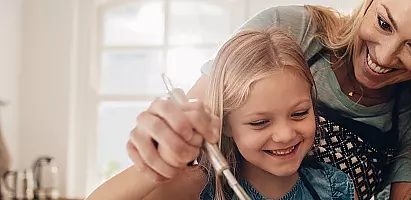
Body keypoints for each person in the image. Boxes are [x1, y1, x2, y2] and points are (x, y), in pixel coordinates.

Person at [109, 0, 411, 199]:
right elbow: (196, 122)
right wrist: (166, 146)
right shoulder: (292, 31)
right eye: (384, 23)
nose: (385, 57)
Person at [87, 28, 357, 200]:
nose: (285, 134)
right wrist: (157, 166)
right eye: (260, 122)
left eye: (299, 113)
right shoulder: (200, 186)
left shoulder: (335, 188)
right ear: (226, 124)